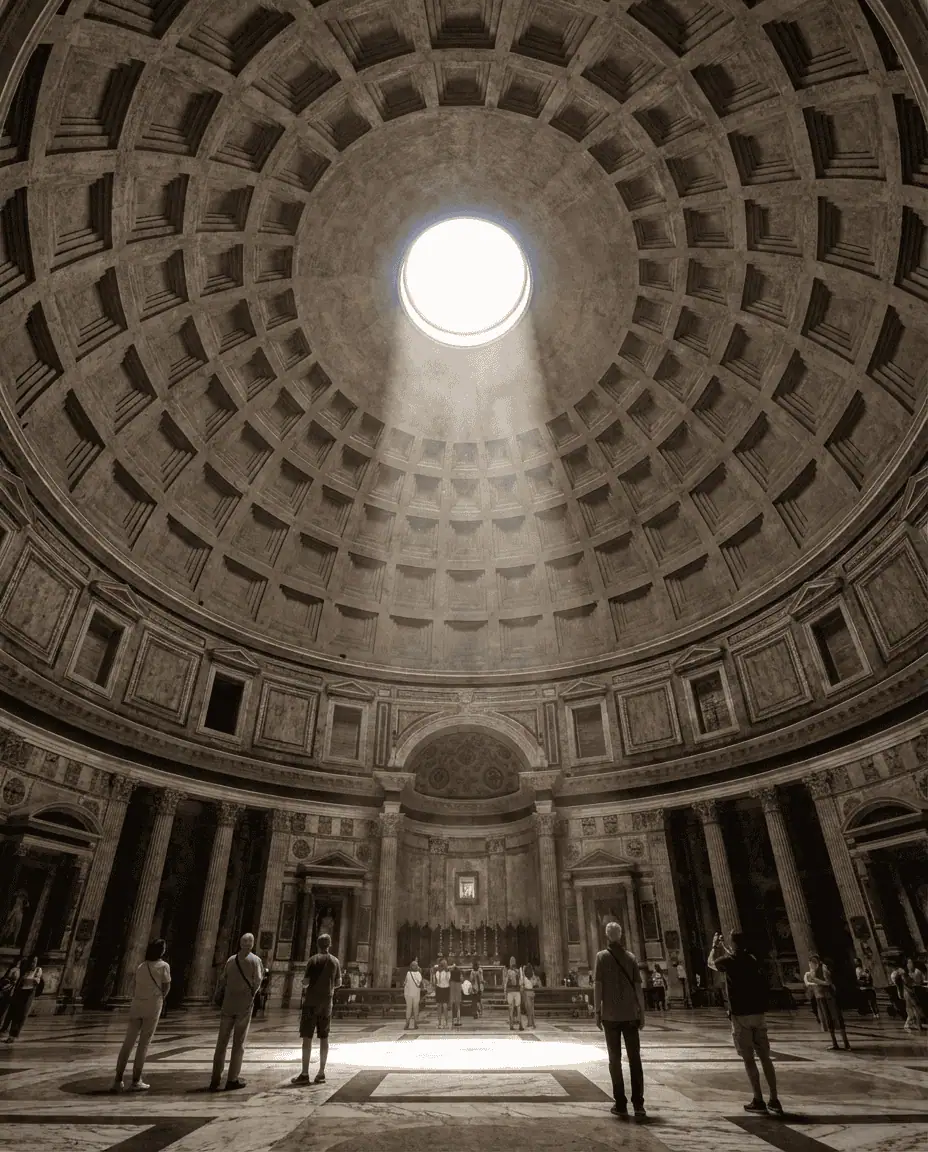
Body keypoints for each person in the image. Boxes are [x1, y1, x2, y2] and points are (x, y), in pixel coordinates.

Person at [708, 931, 783, 1116]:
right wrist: (727, 947)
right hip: (758, 1014)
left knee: (749, 1060)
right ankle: (774, 1099)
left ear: (732, 946)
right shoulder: (752, 958)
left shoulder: (729, 960)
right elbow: (736, 955)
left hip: (740, 1015)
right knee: (765, 1058)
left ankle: (758, 1099)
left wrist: (714, 946)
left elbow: (711, 963)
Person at [594, 921, 647, 1121]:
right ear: (621, 935)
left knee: (614, 1060)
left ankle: (621, 1103)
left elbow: (598, 985)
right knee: (635, 1060)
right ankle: (639, 1104)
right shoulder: (631, 958)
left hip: (610, 1016)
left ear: (607, 936)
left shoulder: (601, 957)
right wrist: (642, 1012)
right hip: (631, 1015)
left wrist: (597, 1011)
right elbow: (638, 988)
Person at [112, 939, 171, 1091]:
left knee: (127, 1043)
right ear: (161, 951)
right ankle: (136, 1080)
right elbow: (166, 988)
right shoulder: (164, 966)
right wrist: (159, 997)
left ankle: (117, 1080)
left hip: (137, 1004)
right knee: (144, 1044)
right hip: (152, 1006)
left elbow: (135, 985)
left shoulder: (141, 966)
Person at [209, 932, 264, 1091]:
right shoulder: (255, 961)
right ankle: (232, 1079)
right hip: (244, 1005)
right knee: (238, 1043)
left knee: (221, 1043)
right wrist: (251, 995)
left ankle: (215, 1078)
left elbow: (223, 979)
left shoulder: (231, 960)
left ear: (241, 943)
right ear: (252, 944)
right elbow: (258, 982)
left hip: (228, 1004)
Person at [290, 931, 340, 1085]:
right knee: (324, 1038)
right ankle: (321, 1072)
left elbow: (305, 982)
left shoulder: (313, 960)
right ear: (329, 945)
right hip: (326, 1004)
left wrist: (305, 985)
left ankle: (305, 1073)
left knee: (307, 1038)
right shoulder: (335, 961)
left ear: (317, 945)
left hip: (311, 1003)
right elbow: (338, 983)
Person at [804, 955, 850, 1051]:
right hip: (820, 997)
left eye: (812, 963)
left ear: (816, 963)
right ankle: (834, 1043)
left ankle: (846, 1044)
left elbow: (828, 982)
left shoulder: (823, 968)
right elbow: (808, 983)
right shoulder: (812, 972)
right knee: (827, 1019)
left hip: (829, 997)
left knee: (836, 1018)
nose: (811, 965)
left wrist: (816, 981)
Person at [0, 954, 42, 1043]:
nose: (33, 964)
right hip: (19, 992)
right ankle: (7, 1031)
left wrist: (32, 979)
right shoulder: (24, 970)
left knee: (21, 1015)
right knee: (13, 1013)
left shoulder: (38, 969)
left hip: (28, 994)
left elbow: (37, 981)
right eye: (32, 961)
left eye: (35, 962)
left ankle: (13, 1036)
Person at [903, 958, 926, 1032]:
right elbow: (905, 985)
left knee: (916, 1009)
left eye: (911, 963)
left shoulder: (917, 971)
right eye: (909, 963)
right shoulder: (905, 974)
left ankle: (917, 1025)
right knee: (913, 1008)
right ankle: (913, 1024)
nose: (910, 965)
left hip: (915, 992)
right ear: (906, 965)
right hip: (909, 993)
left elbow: (921, 981)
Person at [504, 956, 523, 1032]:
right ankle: (520, 1025)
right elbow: (521, 982)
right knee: (518, 1008)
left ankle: (511, 1025)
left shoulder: (508, 972)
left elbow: (505, 983)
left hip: (510, 992)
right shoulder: (518, 971)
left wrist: (505, 994)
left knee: (510, 1008)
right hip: (517, 991)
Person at [403, 960, 423, 1030]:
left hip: (408, 993)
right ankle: (415, 1023)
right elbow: (420, 982)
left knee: (409, 1008)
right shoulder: (419, 974)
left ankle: (407, 1023)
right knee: (415, 1008)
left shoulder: (408, 973)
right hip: (416, 993)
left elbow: (404, 983)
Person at [433, 957, 450, 1029]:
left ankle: (444, 1022)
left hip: (444, 989)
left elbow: (447, 980)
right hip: (441, 989)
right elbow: (440, 981)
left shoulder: (444, 972)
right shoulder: (438, 972)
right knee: (440, 1007)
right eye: (444, 964)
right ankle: (441, 1022)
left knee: (444, 1007)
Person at [521, 962, 536, 1029]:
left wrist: (523, 971)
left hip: (527, 993)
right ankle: (533, 1023)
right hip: (532, 992)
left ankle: (530, 1023)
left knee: (528, 1009)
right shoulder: (533, 975)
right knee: (532, 1009)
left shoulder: (524, 976)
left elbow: (522, 983)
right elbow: (535, 983)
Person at [449, 957, 463, 1027]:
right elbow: (461, 979)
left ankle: (452, 1021)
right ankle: (459, 1020)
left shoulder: (451, 981)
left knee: (452, 1007)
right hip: (458, 994)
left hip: (452, 995)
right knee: (458, 1007)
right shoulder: (459, 982)